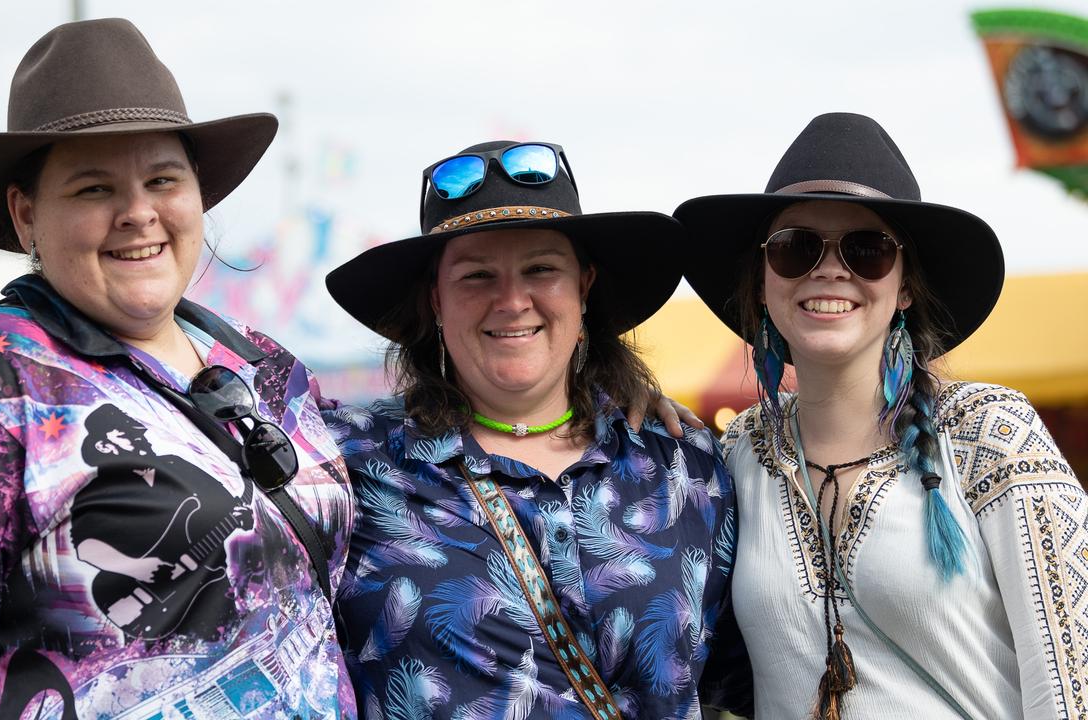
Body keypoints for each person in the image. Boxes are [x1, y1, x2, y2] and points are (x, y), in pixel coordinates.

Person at [0, 18, 354, 719]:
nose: (138, 213)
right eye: (93, 189)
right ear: (25, 216)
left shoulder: (266, 368)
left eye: (162, 179)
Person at [676, 112, 1087, 719]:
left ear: (905, 287)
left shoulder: (990, 432)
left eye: (867, 248)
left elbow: (1072, 684)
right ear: (761, 282)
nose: (829, 268)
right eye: (795, 247)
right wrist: (634, 400)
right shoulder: (738, 453)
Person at [323, 141, 752, 719]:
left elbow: (751, 678)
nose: (512, 300)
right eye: (477, 275)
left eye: (541, 269)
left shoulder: (684, 464)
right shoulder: (343, 462)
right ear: (436, 302)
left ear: (584, 288)